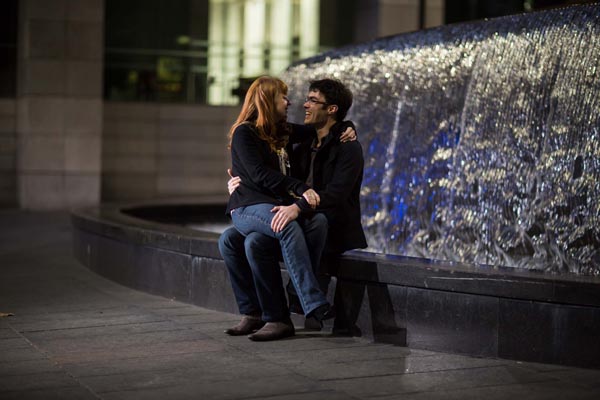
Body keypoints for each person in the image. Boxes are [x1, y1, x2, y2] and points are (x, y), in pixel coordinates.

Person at [220, 78, 367, 337]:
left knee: (251, 241)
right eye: (284, 97)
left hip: (323, 221)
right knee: (232, 240)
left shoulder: (339, 145)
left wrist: (348, 125)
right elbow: (260, 174)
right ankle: (294, 306)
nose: (299, 103)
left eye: (312, 100)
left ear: (331, 109)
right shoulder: (253, 133)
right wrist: (295, 194)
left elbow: (335, 192)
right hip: (258, 207)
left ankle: (280, 311)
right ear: (267, 101)